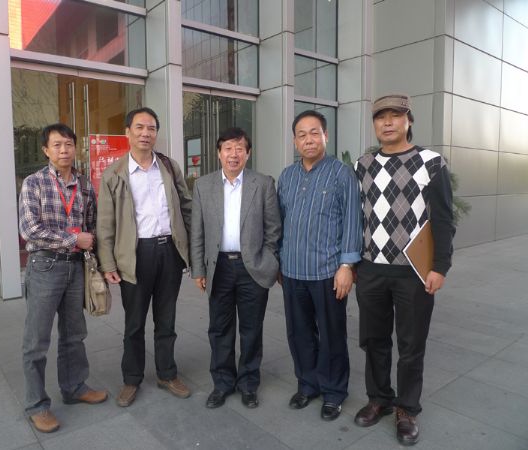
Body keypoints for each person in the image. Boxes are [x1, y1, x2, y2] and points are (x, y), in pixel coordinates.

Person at [353, 94, 455, 446]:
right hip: (371, 269)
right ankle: (379, 398)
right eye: (380, 116)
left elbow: (444, 219)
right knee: (374, 341)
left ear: (408, 120)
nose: (387, 122)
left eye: (395, 115)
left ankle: (407, 409)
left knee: (411, 345)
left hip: (413, 273)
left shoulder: (431, 163)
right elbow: (357, 217)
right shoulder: (363, 165)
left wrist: (440, 266)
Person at [97, 107, 192, 407]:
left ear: (156, 133)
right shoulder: (114, 174)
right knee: (134, 323)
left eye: (151, 128)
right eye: (139, 127)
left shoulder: (169, 167)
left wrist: (192, 251)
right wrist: (107, 263)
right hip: (135, 255)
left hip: (169, 252)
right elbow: (105, 224)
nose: (145, 133)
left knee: (167, 319)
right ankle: (131, 379)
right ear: (127, 132)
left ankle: (167, 373)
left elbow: (187, 207)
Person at [18, 123, 108, 434]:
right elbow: (30, 230)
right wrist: (73, 239)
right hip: (45, 266)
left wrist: (93, 252)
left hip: (76, 267)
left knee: (74, 334)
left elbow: (92, 225)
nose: (64, 150)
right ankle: (37, 405)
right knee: (36, 341)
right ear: (46, 150)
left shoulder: (84, 184)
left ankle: (74, 387)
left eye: (68, 144)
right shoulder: (34, 183)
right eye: (57, 145)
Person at [277, 110, 362, 421]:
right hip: (292, 271)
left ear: (325, 136)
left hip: (328, 272)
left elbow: (352, 221)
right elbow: (280, 222)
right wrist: (278, 261)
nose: (308, 139)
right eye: (302, 135)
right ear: (295, 141)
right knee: (299, 334)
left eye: (314, 133)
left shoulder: (341, 174)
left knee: (332, 335)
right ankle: (308, 384)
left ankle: (334, 392)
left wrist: (347, 266)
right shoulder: (287, 176)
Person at [190, 127, 281, 409]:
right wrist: (198, 269)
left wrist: (268, 260)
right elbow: (197, 231)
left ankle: (248, 384)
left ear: (248, 153)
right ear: (219, 153)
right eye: (228, 148)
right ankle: (222, 383)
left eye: (239, 148)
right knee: (219, 329)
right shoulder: (203, 185)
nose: (233, 154)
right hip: (218, 267)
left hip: (252, 267)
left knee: (252, 330)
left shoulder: (262, 183)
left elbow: (273, 229)